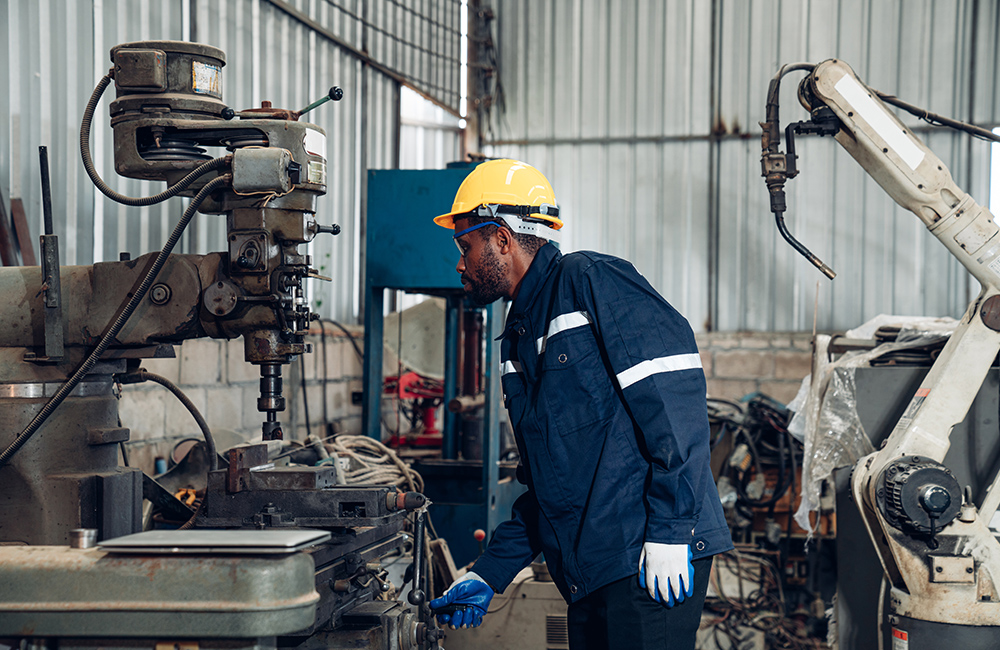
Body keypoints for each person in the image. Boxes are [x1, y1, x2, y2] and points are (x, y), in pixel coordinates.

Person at [428, 159, 733, 650]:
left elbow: (675, 409)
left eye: (466, 247)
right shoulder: (518, 337)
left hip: (648, 557)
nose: (460, 264)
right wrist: (489, 572)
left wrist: (672, 531)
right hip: (591, 570)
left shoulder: (591, 281)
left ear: (502, 239)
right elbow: (551, 485)